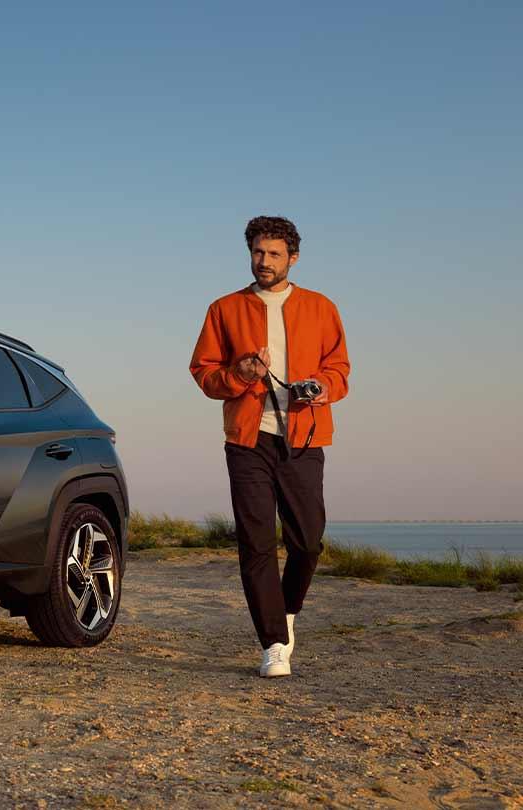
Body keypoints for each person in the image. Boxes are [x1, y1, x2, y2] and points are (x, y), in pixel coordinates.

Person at [189, 216, 351, 677]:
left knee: (308, 541)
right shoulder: (224, 308)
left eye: (274, 254)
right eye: (258, 252)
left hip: (304, 436)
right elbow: (204, 373)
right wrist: (240, 374)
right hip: (247, 439)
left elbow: (340, 368)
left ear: (292, 259)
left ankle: (286, 613)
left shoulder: (321, 307)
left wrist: (320, 387)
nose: (264, 261)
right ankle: (273, 643)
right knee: (256, 542)